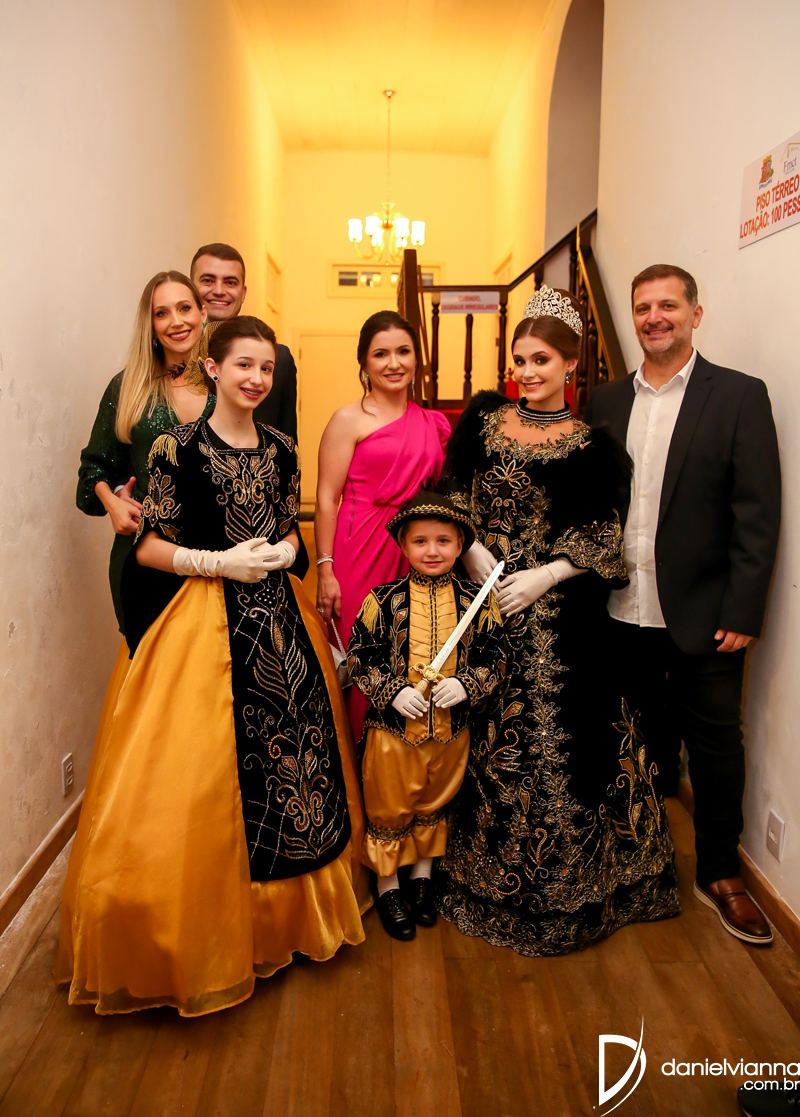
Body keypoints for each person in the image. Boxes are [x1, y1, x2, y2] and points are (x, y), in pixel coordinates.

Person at [56, 316, 368, 1016]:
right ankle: (207, 930)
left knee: (294, 761)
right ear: (214, 368)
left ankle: (289, 918)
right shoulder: (176, 448)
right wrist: (214, 562)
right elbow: (148, 546)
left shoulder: (283, 448)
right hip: (201, 619)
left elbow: (289, 528)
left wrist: (286, 552)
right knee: (202, 777)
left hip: (278, 620)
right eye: (244, 365)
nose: (256, 378)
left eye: (267, 369)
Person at [435, 286, 680, 956]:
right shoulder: (483, 424)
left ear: (571, 364)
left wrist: (545, 575)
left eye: (541, 360)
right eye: (520, 360)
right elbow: (453, 496)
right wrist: (473, 551)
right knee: (488, 737)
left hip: (565, 620)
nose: (527, 372)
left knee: (574, 744)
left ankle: (577, 888)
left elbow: (603, 534)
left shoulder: (591, 447)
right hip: (486, 604)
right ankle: (483, 874)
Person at [584, 264, 781, 945]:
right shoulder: (605, 399)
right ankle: (631, 858)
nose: (654, 317)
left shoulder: (739, 396)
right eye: (643, 307)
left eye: (668, 305)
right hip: (620, 608)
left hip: (705, 613)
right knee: (626, 739)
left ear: (696, 314)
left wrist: (744, 610)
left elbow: (757, 513)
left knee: (717, 745)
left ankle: (720, 873)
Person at [346, 490, 506, 941]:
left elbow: (497, 657)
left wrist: (468, 684)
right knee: (389, 809)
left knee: (435, 804)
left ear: (460, 545)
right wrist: (391, 691)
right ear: (402, 545)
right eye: (420, 541)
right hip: (393, 735)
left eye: (443, 541)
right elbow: (359, 655)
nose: (432, 551)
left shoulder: (478, 602)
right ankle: (388, 886)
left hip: (451, 733)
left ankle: (421, 878)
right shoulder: (383, 600)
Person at [315, 311, 451, 739]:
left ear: (416, 359)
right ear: (364, 363)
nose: (394, 363)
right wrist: (325, 568)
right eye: (381, 354)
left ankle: (402, 765)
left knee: (411, 655)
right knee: (363, 655)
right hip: (359, 548)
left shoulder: (432, 423)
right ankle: (358, 763)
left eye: (403, 351)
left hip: (415, 549)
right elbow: (326, 498)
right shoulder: (347, 419)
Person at [77, 271, 213, 635]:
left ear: (202, 312)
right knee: (154, 665)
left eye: (185, 308)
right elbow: (93, 470)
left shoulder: (227, 381)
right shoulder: (129, 387)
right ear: (150, 325)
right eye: (162, 313)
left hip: (220, 556)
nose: (176, 321)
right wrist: (112, 501)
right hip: (146, 556)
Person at [190, 242, 298, 441]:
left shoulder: (280, 360)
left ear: (243, 293)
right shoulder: (174, 356)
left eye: (230, 282)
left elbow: (288, 443)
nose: (219, 290)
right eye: (208, 280)